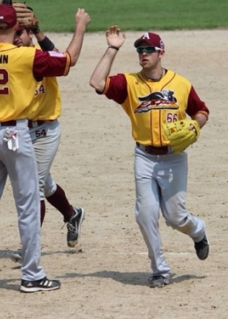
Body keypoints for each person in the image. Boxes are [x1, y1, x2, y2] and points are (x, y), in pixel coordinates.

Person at [0, 3, 91, 295]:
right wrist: (80, 27)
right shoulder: (27, 57)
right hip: (15, 135)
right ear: (16, 27)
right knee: (28, 206)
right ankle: (32, 276)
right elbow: (69, 59)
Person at [89, 26, 210, 288]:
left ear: (161, 53)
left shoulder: (180, 83)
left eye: (149, 50)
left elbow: (201, 111)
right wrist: (112, 48)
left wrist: (195, 125)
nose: (143, 54)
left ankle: (198, 231)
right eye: (140, 51)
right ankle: (160, 270)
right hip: (143, 156)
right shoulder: (129, 83)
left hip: (174, 157)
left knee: (175, 218)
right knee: (145, 214)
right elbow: (97, 83)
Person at [7, 24, 85, 263]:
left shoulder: (42, 58)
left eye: (20, 33)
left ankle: (30, 245)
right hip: (17, 130)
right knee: (42, 181)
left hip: (44, 131)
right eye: (12, 34)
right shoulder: (10, 58)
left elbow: (65, 60)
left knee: (35, 186)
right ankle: (72, 214)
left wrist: (39, 32)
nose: (16, 38)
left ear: (30, 34)